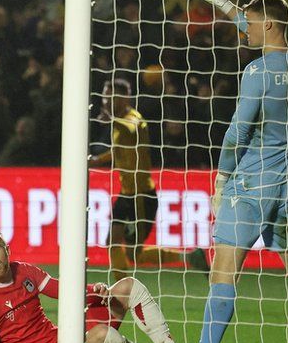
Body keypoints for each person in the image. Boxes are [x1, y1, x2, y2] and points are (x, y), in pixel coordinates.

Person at [176, 0, 288, 343]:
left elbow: (238, 130)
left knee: (223, 273)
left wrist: (222, 179)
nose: (245, 30)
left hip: (250, 184)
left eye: (253, 23)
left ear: (271, 26)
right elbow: (254, 22)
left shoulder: (257, 71)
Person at [0, 229, 190, 343]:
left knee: (129, 286)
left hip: (63, 341)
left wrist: (94, 289)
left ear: (7, 249)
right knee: (103, 335)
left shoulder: (24, 271)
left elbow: (64, 291)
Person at [89, 78, 210, 281]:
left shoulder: (134, 117)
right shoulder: (117, 121)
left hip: (142, 196)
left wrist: (112, 119)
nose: (106, 101)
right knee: (112, 241)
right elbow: (118, 150)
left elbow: (131, 128)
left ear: (124, 98)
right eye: (105, 97)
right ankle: (120, 291)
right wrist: (97, 160)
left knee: (133, 254)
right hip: (126, 194)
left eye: (111, 97)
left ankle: (189, 257)